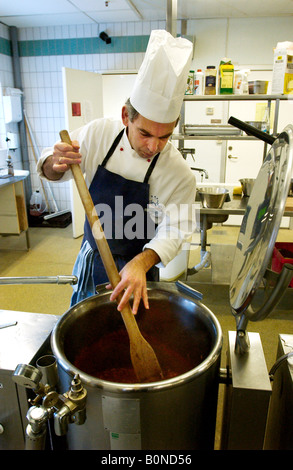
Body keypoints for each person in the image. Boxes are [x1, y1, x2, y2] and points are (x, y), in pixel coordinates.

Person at [37, 30, 196, 314]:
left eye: (165, 136)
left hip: (138, 268)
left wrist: (142, 262)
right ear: (126, 116)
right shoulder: (99, 134)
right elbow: (52, 167)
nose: (153, 146)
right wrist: (55, 162)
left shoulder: (179, 173)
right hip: (92, 257)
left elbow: (177, 228)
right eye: (145, 133)